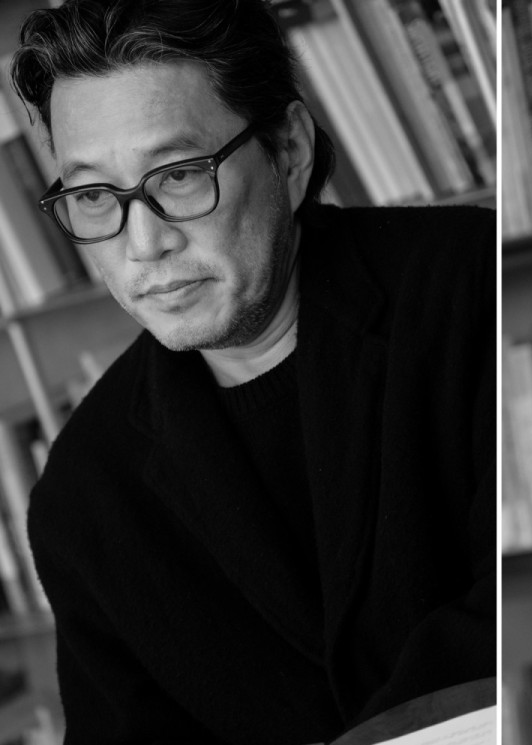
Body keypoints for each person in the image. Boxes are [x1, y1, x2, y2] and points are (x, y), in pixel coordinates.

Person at [9, 0, 495, 740]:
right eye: (96, 196)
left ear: (289, 151)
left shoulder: (469, 285)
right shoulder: (82, 496)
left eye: (178, 174)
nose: (144, 243)